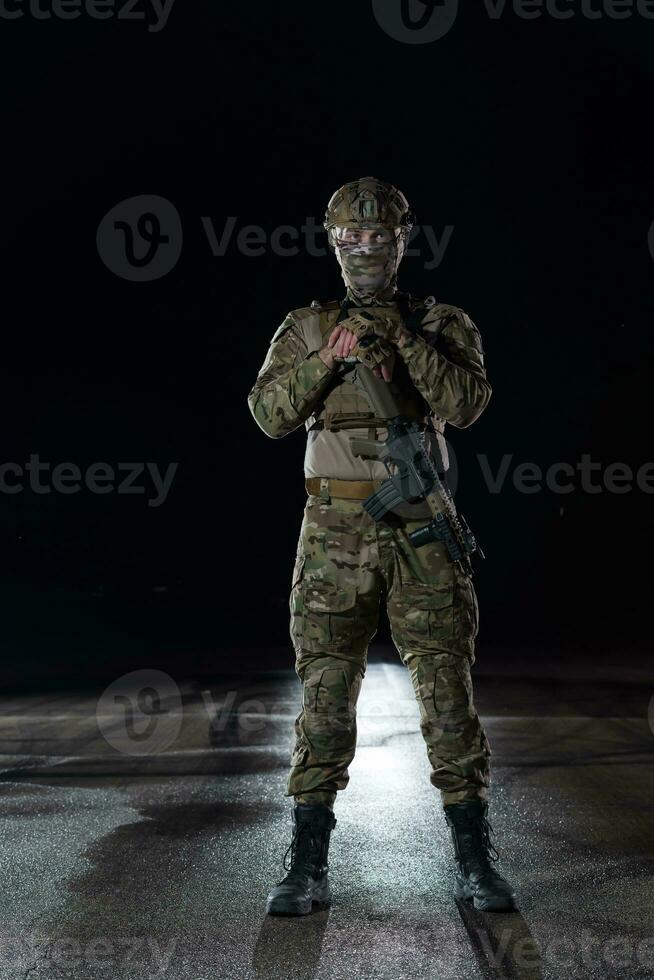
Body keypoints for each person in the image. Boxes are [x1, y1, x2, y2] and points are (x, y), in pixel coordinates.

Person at [247, 177, 517, 915]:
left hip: (420, 530)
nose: (367, 247)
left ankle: (473, 858)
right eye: (353, 237)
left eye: (380, 235)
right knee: (326, 694)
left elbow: (466, 405)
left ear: (403, 240)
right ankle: (306, 863)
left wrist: (404, 342)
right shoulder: (305, 326)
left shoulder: (440, 321)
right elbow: (268, 414)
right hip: (333, 534)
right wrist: (326, 360)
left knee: (445, 693)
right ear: (334, 243)